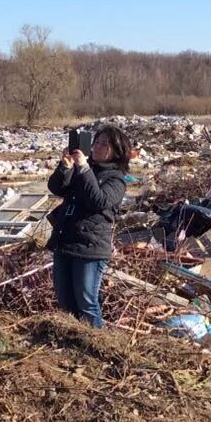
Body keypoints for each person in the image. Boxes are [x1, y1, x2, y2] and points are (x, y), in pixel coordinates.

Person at [46, 125, 131, 329]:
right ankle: (72, 341)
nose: (97, 147)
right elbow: (56, 187)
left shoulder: (116, 179)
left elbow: (98, 200)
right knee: (65, 300)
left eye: (104, 144)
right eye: (97, 142)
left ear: (116, 151)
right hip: (65, 240)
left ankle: (96, 343)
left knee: (86, 302)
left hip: (91, 247)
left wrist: (83, 168)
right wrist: (65, 167)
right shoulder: (83, 170)